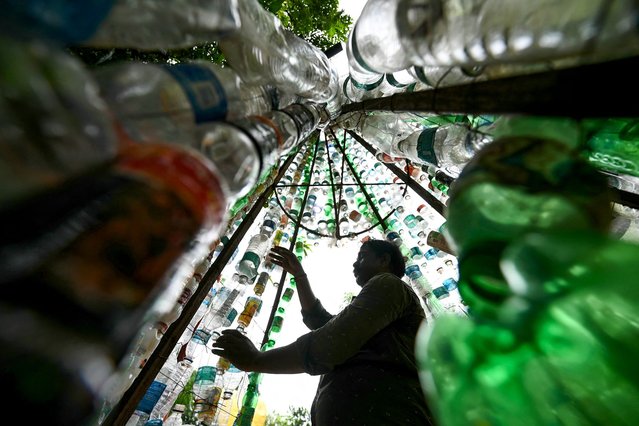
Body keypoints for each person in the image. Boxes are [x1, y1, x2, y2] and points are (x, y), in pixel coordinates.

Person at [212, 239, 434, 425]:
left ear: (384, 260)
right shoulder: (381, 305)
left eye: (363, 256)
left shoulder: (389, 284)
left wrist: (257, 360)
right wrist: (299, 275)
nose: (355, 264)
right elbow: (323, 322)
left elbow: (332, 342)